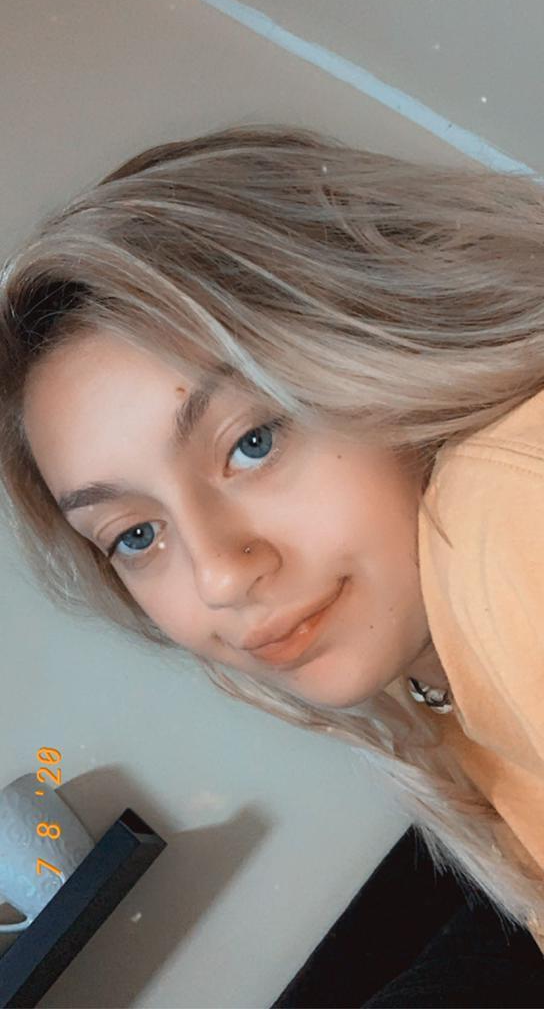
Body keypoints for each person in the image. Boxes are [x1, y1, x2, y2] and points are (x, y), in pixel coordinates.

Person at [1, 124, 544, 997]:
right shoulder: (433, 673)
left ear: (381, 336)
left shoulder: (508, 509)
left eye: (251, 442)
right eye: (136, 536)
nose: (220, 576)